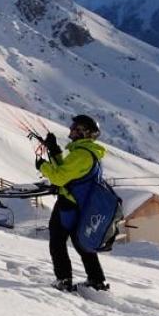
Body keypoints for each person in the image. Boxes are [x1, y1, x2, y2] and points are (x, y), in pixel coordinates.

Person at [37, 114, 110, 292]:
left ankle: (63, 280)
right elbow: (66, 171)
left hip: (69, 204)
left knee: (57, 241)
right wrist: (54, 151)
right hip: (79, 204)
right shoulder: (84, 153)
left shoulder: (82, 155)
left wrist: (42, 166)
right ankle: (96, 281)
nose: (71, 130)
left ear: (84, 132)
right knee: (80, 242)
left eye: (75, 127)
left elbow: (59, 177)